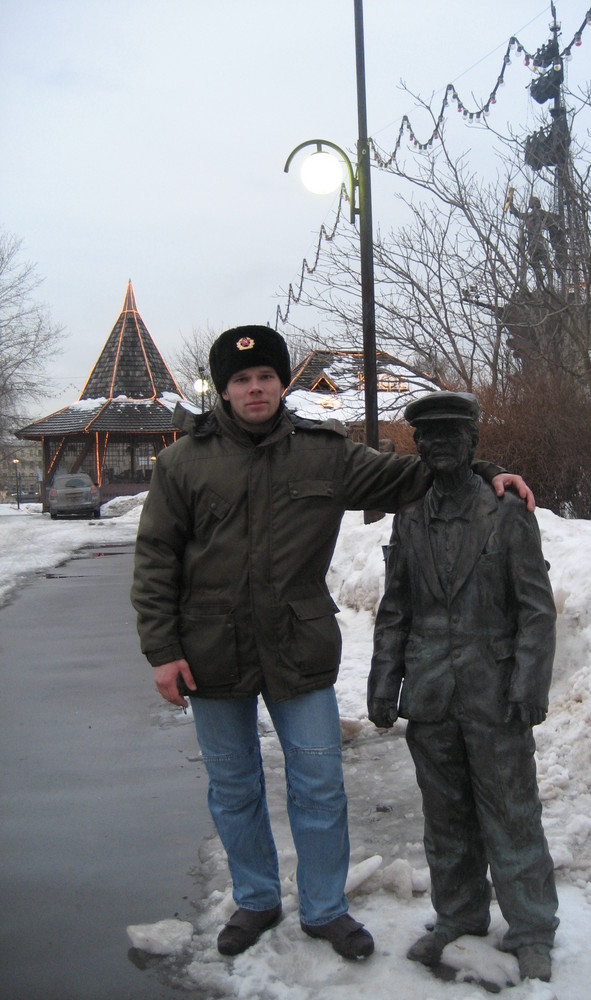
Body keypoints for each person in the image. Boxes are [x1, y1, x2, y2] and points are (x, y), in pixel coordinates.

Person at [130, 326, 535, 962]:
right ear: (224, 390)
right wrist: (162, 651)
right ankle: (257, 898)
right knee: (234, 786)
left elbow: (412, 476)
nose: (255, 387)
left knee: (318, 784)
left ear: (282, 382)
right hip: (211, 652)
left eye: (265, 376)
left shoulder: (324, 453)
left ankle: (324, 908)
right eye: (241, 379)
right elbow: (155, 558)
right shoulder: (184, 462)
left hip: (298, 649)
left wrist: (483, 470)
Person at [367, 390, 558, 982]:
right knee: (445, 817)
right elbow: (395, 607)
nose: (441, 445)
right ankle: (458, 915)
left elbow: (536, 609)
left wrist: (530, 683)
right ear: (418, 445)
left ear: (473, 443)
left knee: (511, 813)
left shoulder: (507, 512)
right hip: (430, 695)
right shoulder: (409, 515)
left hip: (495, 693)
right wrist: (383, 681)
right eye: (430, 436)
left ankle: (532, 929)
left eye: (454, 435)